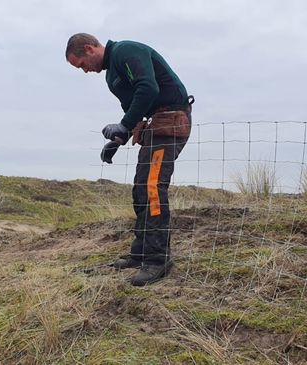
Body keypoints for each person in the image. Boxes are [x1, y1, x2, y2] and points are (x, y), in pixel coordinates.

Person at [66, 33, 194, 286]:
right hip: (154, 126)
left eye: (81, 65)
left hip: (171, 120)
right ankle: (141, 253)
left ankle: (158, 259)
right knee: (141, 190)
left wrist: (123, 126)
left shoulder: (126, 51)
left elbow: (148, 88)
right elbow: (133, 107)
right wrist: (117, 140)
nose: (84, 71)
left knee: (153, 188)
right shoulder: (111, 76)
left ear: (89, 49)